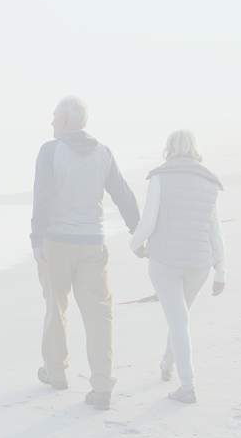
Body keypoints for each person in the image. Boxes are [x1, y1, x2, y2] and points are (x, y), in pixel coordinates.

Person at [30, 96, 140, 410]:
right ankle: (102, 387)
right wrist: (139, 234)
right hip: (93, 243)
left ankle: (57, 373)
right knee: (99, 315)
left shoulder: (50, 151)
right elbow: (124, 196)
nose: (51, 122)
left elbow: (42, 197)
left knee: (56, 308)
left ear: (64, 120)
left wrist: (37, 238)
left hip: (56, 243)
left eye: (54, 116)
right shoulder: (103, 152)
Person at [128, 129, 226, 404]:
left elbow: (148, 221)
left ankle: (187, 385)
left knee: (178, 319)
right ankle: (166, 365)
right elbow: (215, 231)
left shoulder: (159, 177)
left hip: (165, 264)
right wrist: (221, 270)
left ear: (169, 148)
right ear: (196, 148)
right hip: (199, 265)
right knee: (179, 317)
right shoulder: (209, 181)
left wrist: (135, 244)